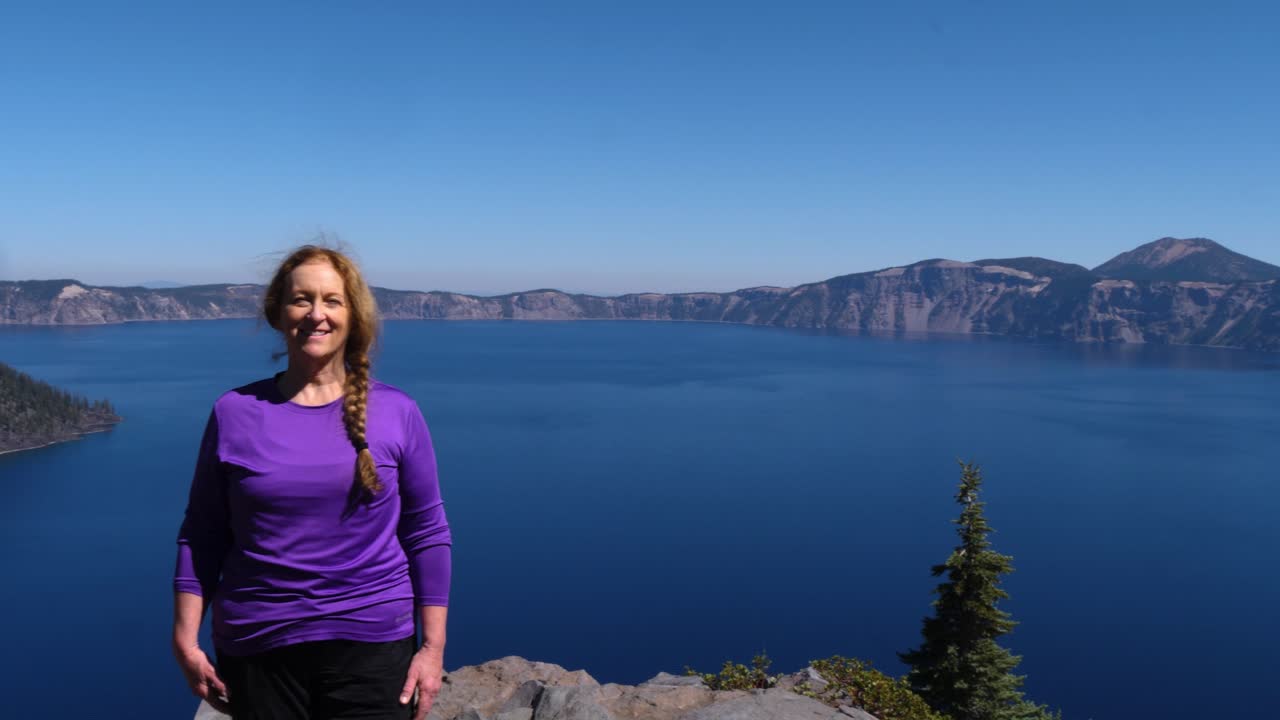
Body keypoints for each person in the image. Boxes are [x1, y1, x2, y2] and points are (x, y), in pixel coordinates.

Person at [172, 245, 453, 720]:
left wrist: (432, 647)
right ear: (278, 313)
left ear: (353, 316)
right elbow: (203, 533)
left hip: (373, 644)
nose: (316, 314)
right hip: (259, 644)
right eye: (301, 299)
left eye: (332, 301)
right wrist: (185, 638)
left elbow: (426, 532)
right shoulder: (234, 412)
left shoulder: (397, 412)